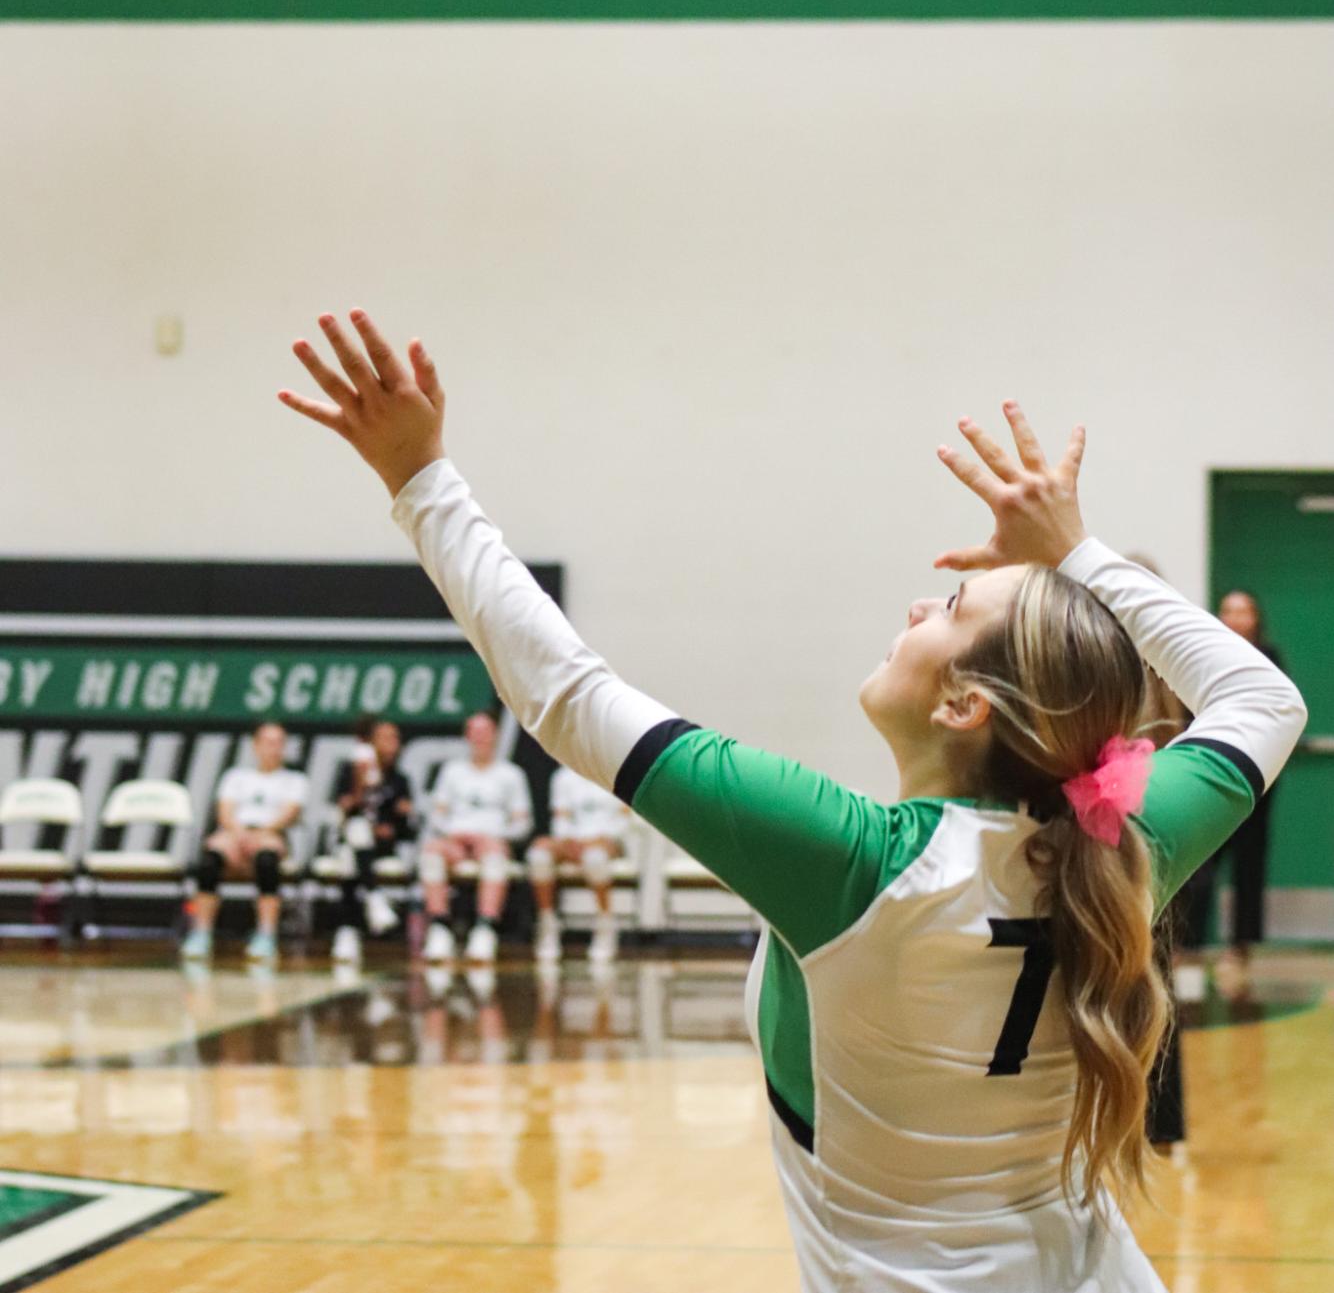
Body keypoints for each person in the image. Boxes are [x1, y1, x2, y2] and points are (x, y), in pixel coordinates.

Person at [278, 312, 1307, 1293]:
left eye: (948, 610)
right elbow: (1263, 698)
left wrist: (418, 478)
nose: (917, 604)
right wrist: (1073, 554)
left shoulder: (848, 864)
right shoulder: (1118, 846)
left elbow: (566, 694)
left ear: (961, 702)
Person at [1179, 589, 1283, 981]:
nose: (1237, 618)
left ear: (1255, 619)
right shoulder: (1205, 656)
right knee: (1199, 860)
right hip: (1211, 769)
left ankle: (1241, 946)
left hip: (1257, 773)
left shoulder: (1269, 660)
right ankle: (1189, 943)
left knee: (1248, 864)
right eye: (1229, 611)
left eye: (1244, 611)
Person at [182, 720, 307, 964]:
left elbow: (289, 814)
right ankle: (201, 933)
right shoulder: (236, 777)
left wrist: (260, 833)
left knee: (267, 861)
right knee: (210, 861)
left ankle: (266, 935)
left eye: (279, 742)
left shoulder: (294, 780)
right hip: (235, 834)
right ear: (255, 745)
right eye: (268, 742)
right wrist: (240, 834)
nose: (274, 748)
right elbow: (225, 812)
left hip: (271, 834)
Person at [419, 709, 532, 964]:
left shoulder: (511, 775)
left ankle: (485, 929)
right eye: (475, 732)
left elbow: (523, 824)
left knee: (495, 855)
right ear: (467, 736)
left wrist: (491, 836)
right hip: (455, 842)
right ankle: (440, 928)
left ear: (496, 736)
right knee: (431, 851)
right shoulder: (452, 772)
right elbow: (437, 815)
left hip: (491, 842)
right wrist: (453, 833)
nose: (480, 738)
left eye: (485, 732)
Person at [330, 718, 417, 965]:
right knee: (354, 837)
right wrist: (360, 783)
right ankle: (374, 896)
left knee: (351, 854)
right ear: (371, 742)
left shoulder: (399, 779)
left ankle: (347, 931)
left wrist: (390, 825)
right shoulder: (351, 771)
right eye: (385, 737)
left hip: (382, 848)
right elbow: (344, 809)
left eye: (395, 738)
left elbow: (404, 823)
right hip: (351, 839)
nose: (392, 743)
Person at [527, 765, 631, 964]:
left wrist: (601, 838)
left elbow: (624, 820)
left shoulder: (615, 769)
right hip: (573, 841)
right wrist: (567, 840)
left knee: (595, 858)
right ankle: (548, 924)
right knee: (538, 854)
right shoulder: (563, 776)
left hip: (607, 840)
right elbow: (561, 819)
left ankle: (605, 925)